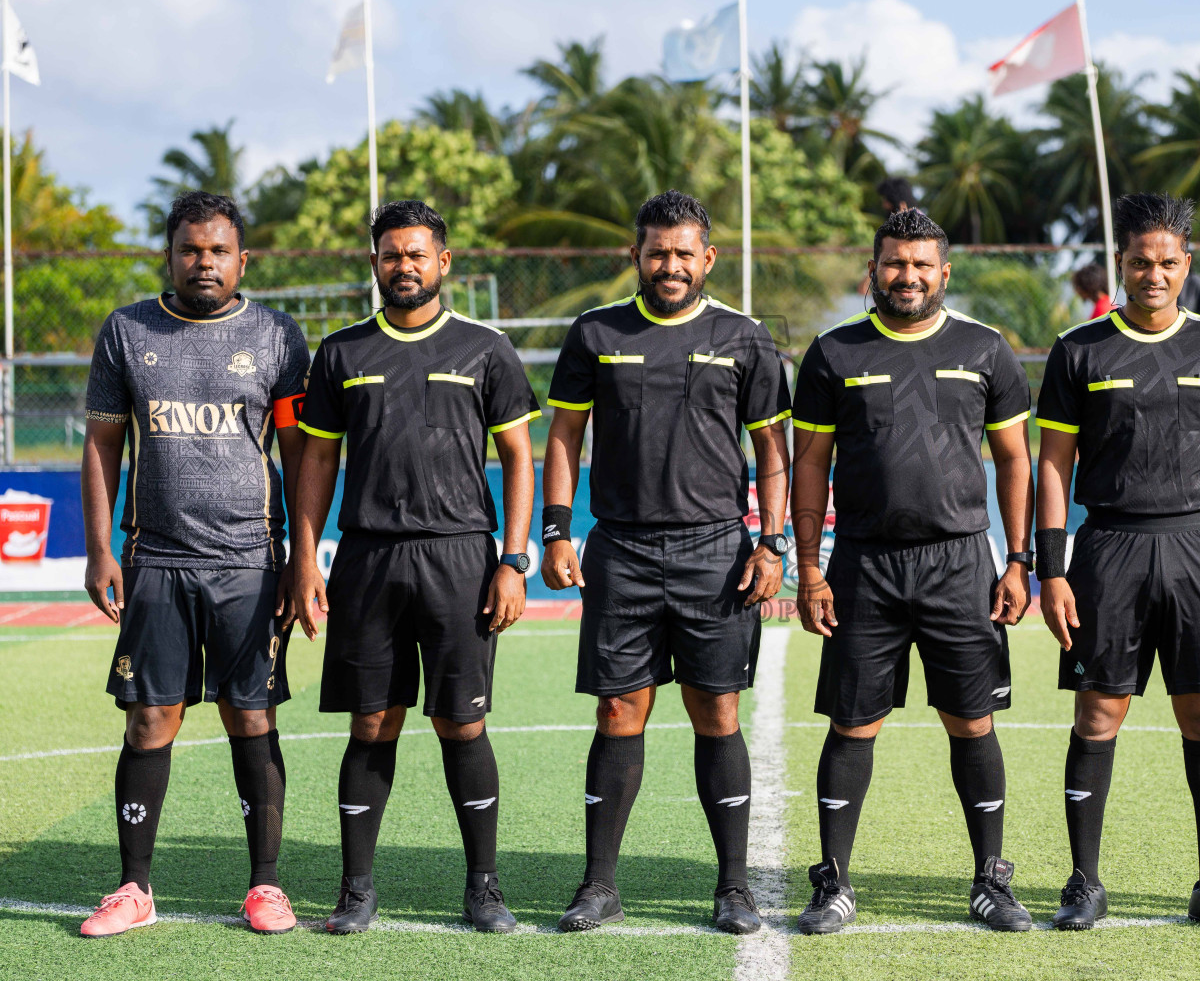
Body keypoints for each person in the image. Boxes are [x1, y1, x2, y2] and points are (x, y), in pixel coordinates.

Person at [541, 190, 791, 935]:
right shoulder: (595, 333)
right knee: (619, 709)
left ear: (708, 258)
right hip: (620, 547)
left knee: (716, 711)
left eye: (685, 253)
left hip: (715, 550)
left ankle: (735, 887)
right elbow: (563, 438)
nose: (671, 265)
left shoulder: (744, 338)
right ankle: (599, 886)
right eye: (658, 252)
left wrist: (772, 542)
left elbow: (773, 451)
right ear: (636, 256)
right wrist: (557, 530)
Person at [289, 200, 541, 934]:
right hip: (368, 558)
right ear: (374, 264)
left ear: (444, 262)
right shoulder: (340, 352)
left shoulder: (486, 349)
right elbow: (317, 461)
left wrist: (513, 560)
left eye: (417, 254)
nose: (405, 266)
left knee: (462, 726)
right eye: (391, 255)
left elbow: (519, 458)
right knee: (371, 724)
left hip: (461, 556)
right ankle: (357, 889)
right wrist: (306, 559)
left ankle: (484, 887)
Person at [1034, 193, 1200, 933]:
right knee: (1099, 712)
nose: (1153, 274)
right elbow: (1052, 465)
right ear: (1122, 263)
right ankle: (1084, 883)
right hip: (1108, 548)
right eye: (1140, 261)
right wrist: (1051, 569)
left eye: (1167, 262)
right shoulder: (1079, 350)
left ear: (1186, 266)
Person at [791, 208, 1035, 935]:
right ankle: (833, 881)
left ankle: (989, 880)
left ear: (944, 273)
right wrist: (810, 567)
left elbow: (1017, 460)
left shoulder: (986, 350)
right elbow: (809, 465)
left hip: (962, 561)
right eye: (895, 263)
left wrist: (1017, 559)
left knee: (972, 722)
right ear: (874, 268)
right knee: (852, 724)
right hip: (865, 563)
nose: (908, 277)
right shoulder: (833, 353)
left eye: (922, 265)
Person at [79, 191, 310, 937]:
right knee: (150, 718)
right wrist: (99, 547)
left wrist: (301, 558)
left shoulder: (277, 336)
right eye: (189, 249)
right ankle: (133, 888)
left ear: (243, 260)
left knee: (251, 713)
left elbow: (304, 455)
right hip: (157, 560)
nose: (202, 262)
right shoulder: (127, 331)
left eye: (217, 251)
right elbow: (103, 444)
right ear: (169, 255)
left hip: (249, 560)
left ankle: (266, 888)